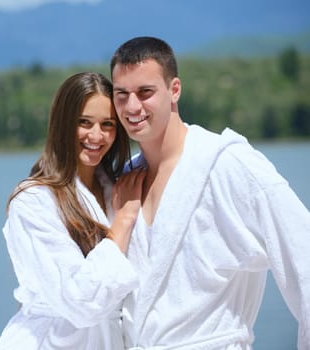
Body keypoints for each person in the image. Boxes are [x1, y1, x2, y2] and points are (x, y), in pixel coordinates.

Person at [109, 36, 310, 349]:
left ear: (174, 89)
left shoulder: (228, 165)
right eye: (121, 94)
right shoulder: (124, 182)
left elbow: (303, 256)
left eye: (145, 92)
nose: (132, 106)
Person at [0, 72, 146, 350]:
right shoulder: (33, 201)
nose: (96, 136)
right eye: (84, 123)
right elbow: (80, 301)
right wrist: (123, 222)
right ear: (63, 124)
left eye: (108, 124)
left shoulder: (118, 190)